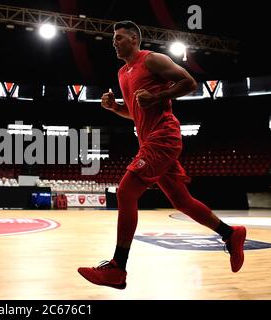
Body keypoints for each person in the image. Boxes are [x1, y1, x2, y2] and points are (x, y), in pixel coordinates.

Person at [77, 21, 246, 289]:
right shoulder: (123, 73)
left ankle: (117, 268)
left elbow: (189, 82)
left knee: (126, 192)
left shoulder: (152, 60)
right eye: (113, 38)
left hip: (163, 136)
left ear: (134, 39)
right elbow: (136, 111)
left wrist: (158, 97)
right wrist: (116, 108)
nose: (114, 42)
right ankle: (230, 233)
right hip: (148, 138)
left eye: (119, 38)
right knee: (182, 201)